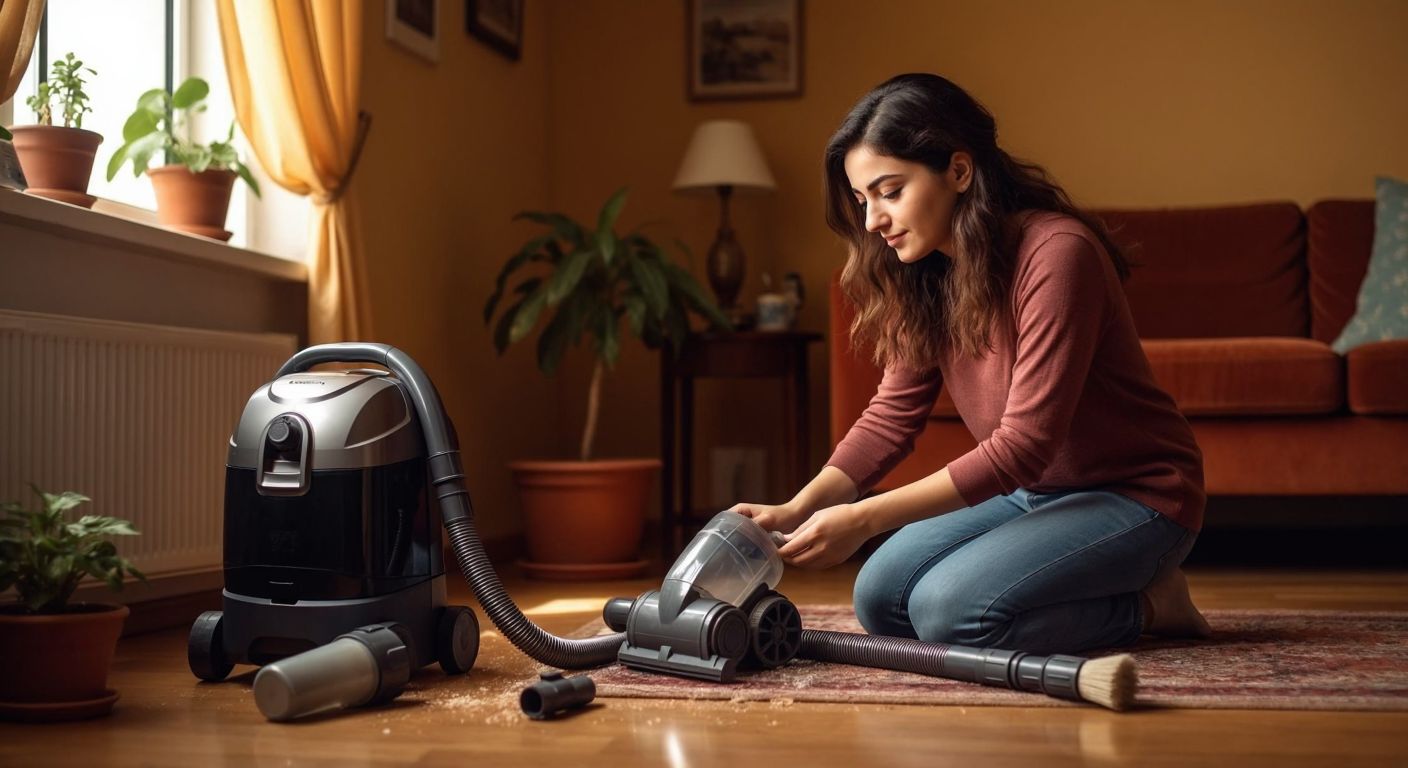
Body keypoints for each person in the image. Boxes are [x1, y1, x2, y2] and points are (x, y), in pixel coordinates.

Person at [730, 73, 1211, 655]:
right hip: (1033, 493)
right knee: (880, 597)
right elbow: (891, 416)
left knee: (952, 613)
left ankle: (1155, 603)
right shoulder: (924, 268)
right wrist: (800, 506)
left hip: (1137, 496)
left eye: (890, 191)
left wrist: (861, 519)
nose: (871, 222)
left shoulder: (1058, 254)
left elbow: (1023, 446)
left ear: (959, 171)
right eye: (862, 200)